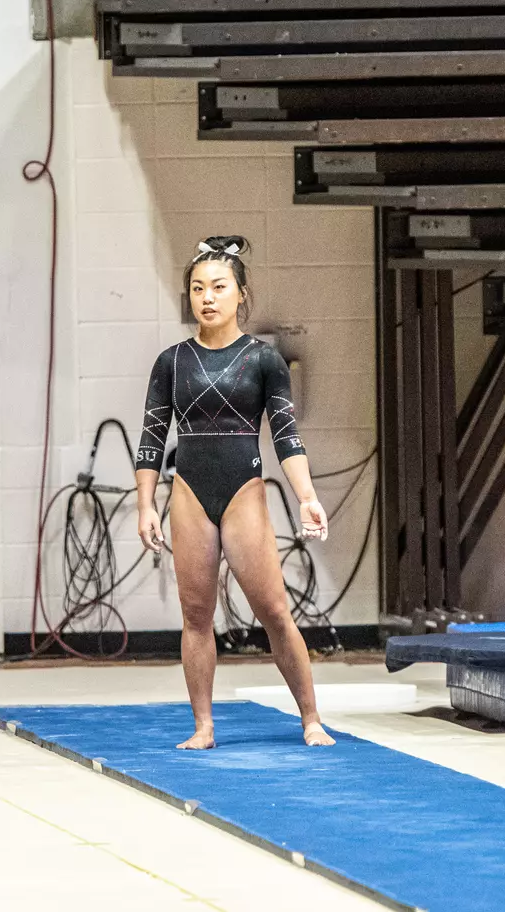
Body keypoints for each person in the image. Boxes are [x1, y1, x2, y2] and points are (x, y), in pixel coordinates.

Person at [134, 236, 334, 749]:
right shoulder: (171, 362)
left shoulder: (263, 361)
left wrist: (307, 496)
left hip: (244, 488)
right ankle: (203, 725)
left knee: (273, 611)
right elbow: (152, 437)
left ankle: (311, 718)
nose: (208, 297)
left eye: (219, 287)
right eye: (198, 288)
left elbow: (286, 434)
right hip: (189, 493)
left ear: (241, 294)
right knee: (195, 615)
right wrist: (145, 506)